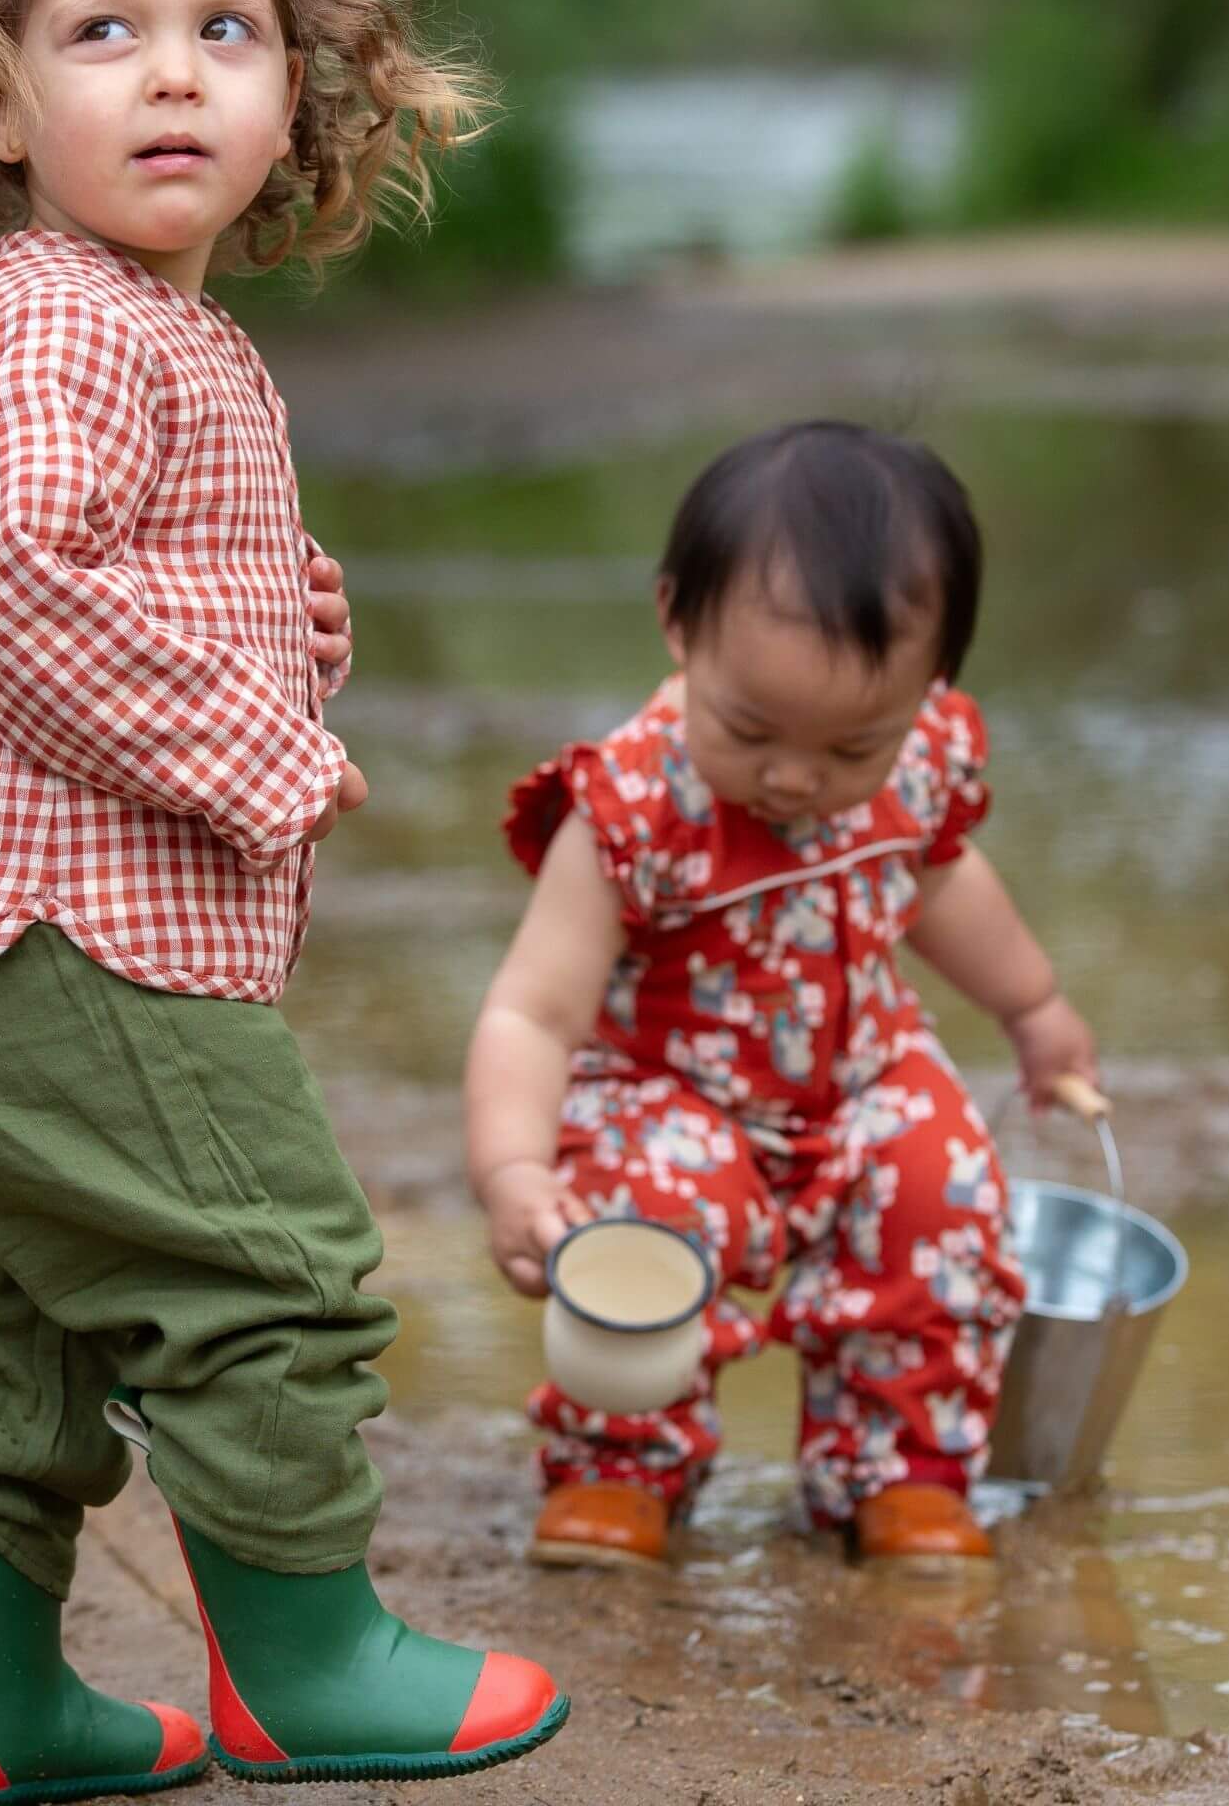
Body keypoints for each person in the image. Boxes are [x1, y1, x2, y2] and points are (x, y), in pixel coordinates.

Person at [0, 0, 566, 1798]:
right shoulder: (64, 323)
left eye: (225, 28)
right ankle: (306, 1662)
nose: (175, 73)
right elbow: (21, 583)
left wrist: (281, 615)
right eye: (104, 31)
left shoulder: (126, 324)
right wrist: (259, 749)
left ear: (300, 90)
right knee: (265, 1263)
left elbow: (79, 568)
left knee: (8, 1319)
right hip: (63, 939)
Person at [465, 420, 1098, 1570]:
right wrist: (512, 1167)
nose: (797, 777)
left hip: (858, 1072)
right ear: (676, 620)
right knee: (641, 1214)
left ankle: (898, 1471)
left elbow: (941, 882)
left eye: (851, 747)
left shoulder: (917, 761)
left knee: (936, 1185)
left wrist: (1033, 1008)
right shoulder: (633, 802)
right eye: (748, 730)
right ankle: (622, 1462)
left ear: (930, 683)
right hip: (667, 1089)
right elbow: (532, 1009)